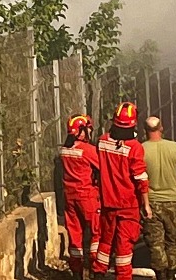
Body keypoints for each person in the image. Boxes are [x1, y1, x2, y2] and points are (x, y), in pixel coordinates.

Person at [92, 102, 151, 280]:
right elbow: (140, 177)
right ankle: (123, 277)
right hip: (128, 205)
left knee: (106, 240)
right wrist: (146, 205)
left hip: (108, 202)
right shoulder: (135, 147)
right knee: (124, 246)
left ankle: (98, 272)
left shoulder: (102, 142)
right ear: (133, 124)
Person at [141, 116, 176, 280]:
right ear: (161, 128)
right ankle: (172, 274)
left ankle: (160, 275)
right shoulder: (174, 148)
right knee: (172, 241)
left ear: (145, 130)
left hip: (150, 202)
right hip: (171, 202)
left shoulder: (140, 150)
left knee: (155, 242)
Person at [59, 114, 100, 279]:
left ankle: (76, 271)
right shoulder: (87, 150)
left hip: (69, 196)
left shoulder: (64, 150)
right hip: (87, 195)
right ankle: (95, 267)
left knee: (74, 233)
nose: (90, 131)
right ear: (81, 131)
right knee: (97, 232)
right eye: (88, 128)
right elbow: (102, 166)